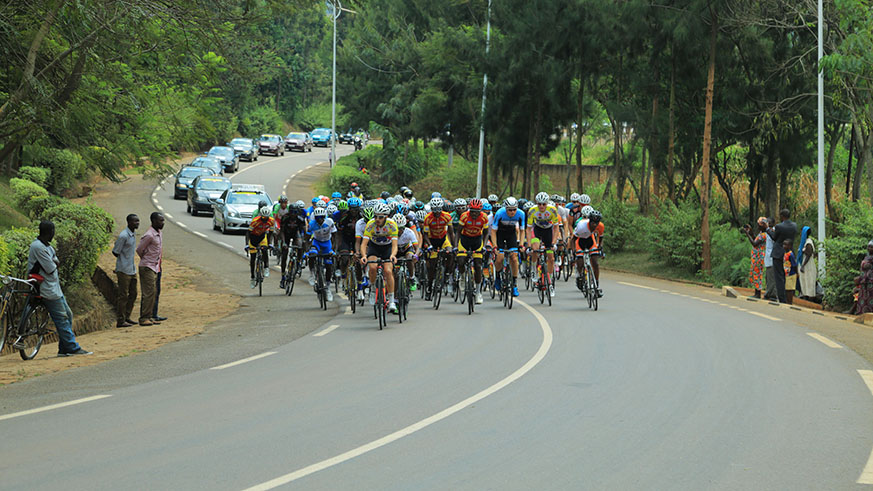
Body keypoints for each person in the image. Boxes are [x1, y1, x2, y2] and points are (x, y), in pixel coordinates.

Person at [18, 221, 93, 356]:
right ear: (51, 231)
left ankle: (64, 349)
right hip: (45, 289)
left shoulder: (48, 247)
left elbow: (56, 262)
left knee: (68, 315)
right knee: (61, 318)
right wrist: (53, 262)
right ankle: (72, 347)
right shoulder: (38, 247)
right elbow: (51, 268)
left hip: (54, 287)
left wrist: (53, 262)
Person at [360, 203, 399, 312]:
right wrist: (363, 256)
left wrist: (393, 255)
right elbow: (364, 244)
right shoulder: (370, 224)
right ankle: (373, 288)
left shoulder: (392, 225)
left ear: (386, 217)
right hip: (374, 247)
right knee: (372, 267)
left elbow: (395, 245)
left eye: (380, 217)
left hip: (387, 248)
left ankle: (391, 300)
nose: (377, 219)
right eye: (375, 216)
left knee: (388, 271)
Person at [527, 192, 562, 296]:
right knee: (535, 247)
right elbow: (528, 229)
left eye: (544, 204)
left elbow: (556, 228)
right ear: (537, 203)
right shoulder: (532, 210)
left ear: (547, 203)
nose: (541, 206)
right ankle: (533, 268)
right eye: (539, 204)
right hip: (536, 230)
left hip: (548, 231)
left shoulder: (552, 210)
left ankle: (550, 282)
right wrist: (529, 245)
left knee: (550, 257)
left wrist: (553, 242)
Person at [456, 198, 490, 304]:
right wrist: (456, 246)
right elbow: (458, 232)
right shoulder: (464, 216)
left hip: (477, 241)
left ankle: (478, 292)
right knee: (460, 261)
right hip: (465, 240)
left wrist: (484, 246)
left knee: (478, 265)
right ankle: (462, 277)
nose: (474, 214)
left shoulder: (484, 217)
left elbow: (486, 233)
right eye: (472, 211)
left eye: (477, 212)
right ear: (469, 209)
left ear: (480, 211)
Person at [490, 197, 525, 297]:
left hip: (511, 234)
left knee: (514, 258)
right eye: (510, 210)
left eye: (514, 209)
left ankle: (514, 284)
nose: (512, 212)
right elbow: (493, 231)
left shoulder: (521, 214)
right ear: (505, 208)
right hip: (500, 234)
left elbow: (522, 231)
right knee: (500, 258)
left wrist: (521, 244)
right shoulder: (500, 213)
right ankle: (497, 277)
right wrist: (495, 246)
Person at [422, 197, 455, 299]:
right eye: (434, 210)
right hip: (432, 240)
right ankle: (429, 287)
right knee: (432, 265)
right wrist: (430, 245)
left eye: (439, 210)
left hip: (443, 239)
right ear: (431, 209)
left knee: (450, 253)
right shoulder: (428, 218)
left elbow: (451, 232)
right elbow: (425, 234)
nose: (437, 212)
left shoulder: (447, 216)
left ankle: (446, 273)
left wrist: (453, 246)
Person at [112, 214, 139, 327]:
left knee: (133, 294)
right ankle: (121, 320)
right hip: (123, 270)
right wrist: (122, 261)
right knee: (123, 296)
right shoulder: (123, 236)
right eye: (134, 221)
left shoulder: (132, 235)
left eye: (138, 221)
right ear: (128, 222)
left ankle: (127, 316)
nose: (137, 223)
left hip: (131, 269)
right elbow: (115, 251)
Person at [136, 212, 164, 326]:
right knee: (148, 293)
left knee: (153, 292)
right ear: (153, 221)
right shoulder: (149, 235)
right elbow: (139, 249)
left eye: (163, 221)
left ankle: (150, 315)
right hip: (147, 266)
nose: (162, 223)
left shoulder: (159, 233)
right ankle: (144, 318)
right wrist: (146, 259)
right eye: (160, 221)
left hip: (155, 267)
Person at [306, 207, 337, 302]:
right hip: (317, 243)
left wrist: (333, 249)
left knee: (328, 265)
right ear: (315, 218)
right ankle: (312, 273)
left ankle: (327, 288)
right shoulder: (311, 224)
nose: (319, 220)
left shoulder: (329, 222)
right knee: (312, 254)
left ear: (324, 217)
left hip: (327, 243)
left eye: (321, 217)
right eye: (317, 218)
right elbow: (306, 239)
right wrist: (306, 250)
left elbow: (335, 237)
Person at [767, 209, 797, 303]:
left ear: (782, 216)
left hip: (778, 254)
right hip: (789, 254)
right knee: (788, 276)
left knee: (779, 277)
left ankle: (782, 299)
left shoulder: (779, 226)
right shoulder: (794, 226)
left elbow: (774, 238)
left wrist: (768, 229)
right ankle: (789, 299)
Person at [573, 210, 605, 297]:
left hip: (591, 241)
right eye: (593, 222)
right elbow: (574, 239)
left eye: (596, 223)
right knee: (580, 262)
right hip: (580, 241)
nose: (594, 225)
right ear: (589, 221)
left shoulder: (600, 226)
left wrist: (600, 248)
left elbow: (601, 237)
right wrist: (573, 251)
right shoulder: (581, 226)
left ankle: (596, 285)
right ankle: (579, 277)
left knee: (595, 262)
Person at [246, 205, 276, 289]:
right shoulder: (255, 221)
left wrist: (270, 243)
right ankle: (252, 277)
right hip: (253, 238)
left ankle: (266, 267)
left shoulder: (271, 221)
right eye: (263, 217)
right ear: (261, 215)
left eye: (266, 217)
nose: (265, 219)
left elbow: (271, 233)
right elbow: (248, 232)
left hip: (262, 237)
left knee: (265, 250)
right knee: (253, 259)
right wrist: (247, 244)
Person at [743, 217, 768, 299]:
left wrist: (747, 234)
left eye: (759, 225)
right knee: (756, 274)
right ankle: (756, 292)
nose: (758, 227)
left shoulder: (764, 235)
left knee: (757, 274)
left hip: (759, 257)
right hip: (757, 257)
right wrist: (751, 232)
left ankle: (758, 293)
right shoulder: (761, 233)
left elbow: (754, 243)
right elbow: (755, 239)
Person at [798, 226, 818, 300]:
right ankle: (805, 295)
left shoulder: (808, 242)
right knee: (804, 280)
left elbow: (808, 254)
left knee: (808, 280)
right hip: (804, 264)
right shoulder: (804, 242)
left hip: (807, 264)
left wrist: (803, 265)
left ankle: (810, 298)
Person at [854, 240, 873, 314]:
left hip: (871, 281)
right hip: (863, 281)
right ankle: (861, 313)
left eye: (872, 247)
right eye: (869, 247)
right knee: (863, 298)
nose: (870, 248)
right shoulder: (867, 257)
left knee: (870, 298)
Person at [763, 217, 777, 301]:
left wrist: (767, 228)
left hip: (772, 257)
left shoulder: (774, 231)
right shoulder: (767, 232)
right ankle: (769, 293)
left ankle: (771, 294)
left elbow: (774, 238)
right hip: (768, 257)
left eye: (768, 222)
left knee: (772, 277)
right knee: (768, 277)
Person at [783, 239, 797, 305]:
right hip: (786, 273)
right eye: (783, 244)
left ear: (790, 246)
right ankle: (787, 300)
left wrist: (796, 272)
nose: (784, 246)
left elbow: (794, 264)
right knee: (786, 288)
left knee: (790, 289)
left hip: (791, 273)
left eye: (786, 245)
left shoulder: (791, 255)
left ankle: (790, 301)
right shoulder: (785, 253)